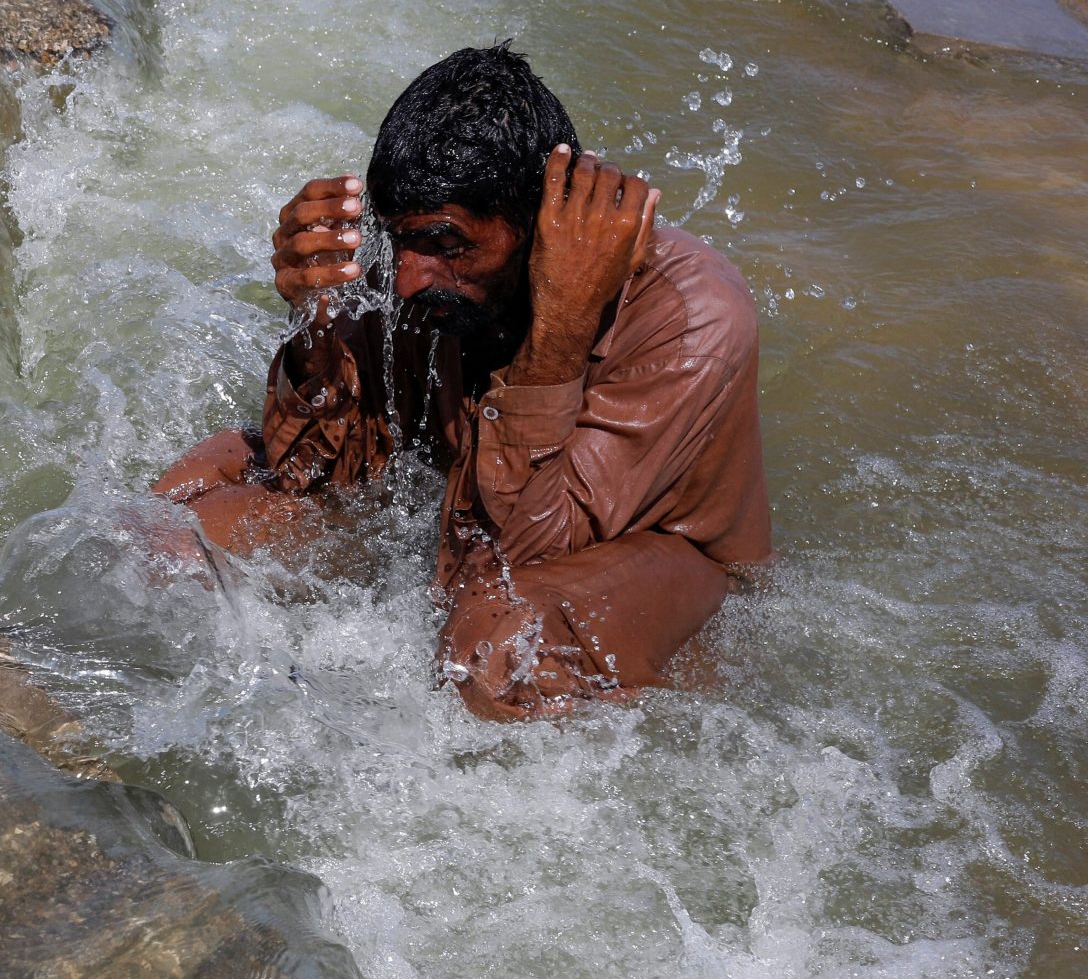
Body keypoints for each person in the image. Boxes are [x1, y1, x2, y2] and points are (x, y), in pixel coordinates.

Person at [152, 44, 771, 720]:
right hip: (473, 518)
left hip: (656, 570)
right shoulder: (420, 263)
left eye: (448, 243)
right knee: (171, 522)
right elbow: (309, 470)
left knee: (493, 650)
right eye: (400, 241)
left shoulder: (691, 319)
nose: (409, 278)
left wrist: (559, 328)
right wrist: (314, 323)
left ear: (538, 225)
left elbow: (512, 564)